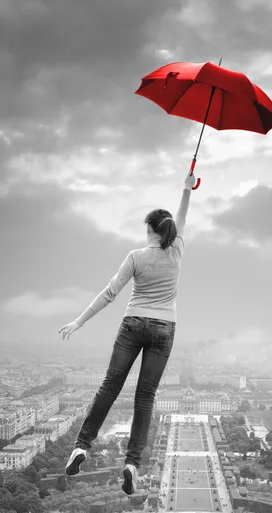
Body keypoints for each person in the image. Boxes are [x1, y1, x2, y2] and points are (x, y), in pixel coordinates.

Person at [59, 171, 196, 494]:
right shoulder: (176, 251)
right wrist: (186, 189)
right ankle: (132, 463)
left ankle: (82, 445)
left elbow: (109, 294)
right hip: (164, 327)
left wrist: (79, 321)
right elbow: (183, 216)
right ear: (169, 231)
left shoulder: (135, 257)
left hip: (133, 323)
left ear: (148, 229)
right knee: (145, 398)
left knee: (109, 387)